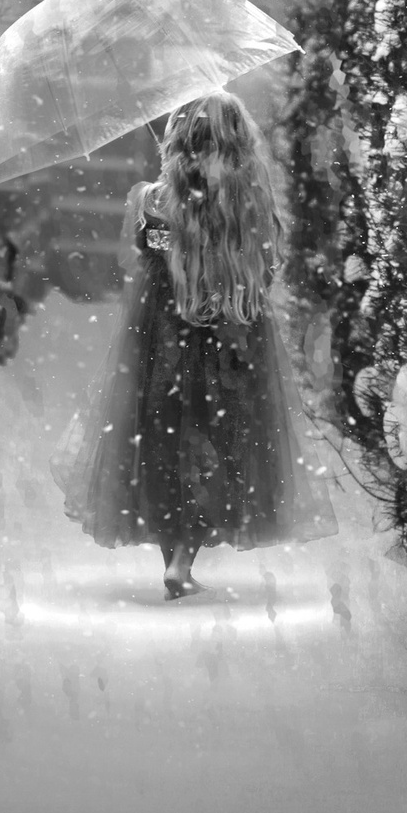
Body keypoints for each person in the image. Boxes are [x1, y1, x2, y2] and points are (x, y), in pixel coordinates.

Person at [62, 90, 333, 598]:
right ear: (239, 141)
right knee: (225, 440)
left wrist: (163, 215)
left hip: (162, 334)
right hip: (231, 334)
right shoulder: (249, 197)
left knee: (161, 438)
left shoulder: (153, 201)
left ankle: (174, 555)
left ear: (176, 139)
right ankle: (186, 556)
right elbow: (269, 263)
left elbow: (139, 254)